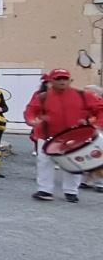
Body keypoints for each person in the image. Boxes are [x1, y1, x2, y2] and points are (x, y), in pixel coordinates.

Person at [25, 69, 103, 202]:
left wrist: (97, 125)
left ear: (70, 80)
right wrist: (32, 121)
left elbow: (100, 109)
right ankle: (44, 190)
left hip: (75, 136)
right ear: (51, 81)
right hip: (47, 136)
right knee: (44, 162)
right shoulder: (42, 97)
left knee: (74, 163)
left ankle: (71, 191)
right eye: (58, 79)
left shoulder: (83, 95)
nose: (62, 81)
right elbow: (30, 111)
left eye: (65, 78)